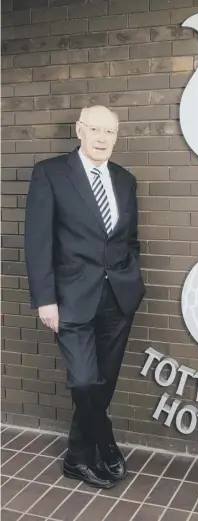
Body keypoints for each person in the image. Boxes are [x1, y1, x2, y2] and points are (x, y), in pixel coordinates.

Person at [24, 105, 146, 489]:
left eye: (110, 131)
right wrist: (45, 300)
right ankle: (105, 442)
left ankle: (78, 458)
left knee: (103, 382)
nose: (102, 138)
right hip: (70, 298)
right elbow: (37, 241)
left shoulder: (125, 179)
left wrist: (131, 277)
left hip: (118, 299)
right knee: (83, 380)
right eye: (95, 129)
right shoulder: (51, 173)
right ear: (80, 129)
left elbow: (129, 239)